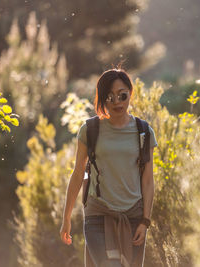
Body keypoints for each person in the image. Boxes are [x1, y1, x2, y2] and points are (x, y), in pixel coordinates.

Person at [60, 68, 157, 267]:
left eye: (122, 95)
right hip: (98, 215)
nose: (117, 102)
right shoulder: (90, 130)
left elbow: (147, 180)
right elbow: (78, 174)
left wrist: (145, 221)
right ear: (102, 99)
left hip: (133, 217)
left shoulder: (144, 132)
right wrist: (66, 218)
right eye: (109, 97)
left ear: (130, 93)